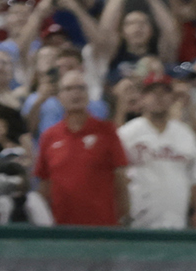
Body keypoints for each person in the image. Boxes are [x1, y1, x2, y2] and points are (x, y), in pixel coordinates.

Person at [31, 69, 129, 226]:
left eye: (81, 88)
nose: (75, 93)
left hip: (102, 229)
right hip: (61, 229)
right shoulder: (49, 136)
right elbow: (44, 185)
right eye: (68, 89)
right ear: (59, 96)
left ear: (88, 94)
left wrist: (124, 218)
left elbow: (120, 180)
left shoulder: (107, 132)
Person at [118, 76, 196, 230]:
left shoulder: (185, 134)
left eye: (164, 93)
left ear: (172, 98)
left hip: (176, 220)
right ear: (142, 98)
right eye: (152, 93)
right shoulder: (127, 133)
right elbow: (117, 176)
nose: (158, 97)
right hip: (137, 221)